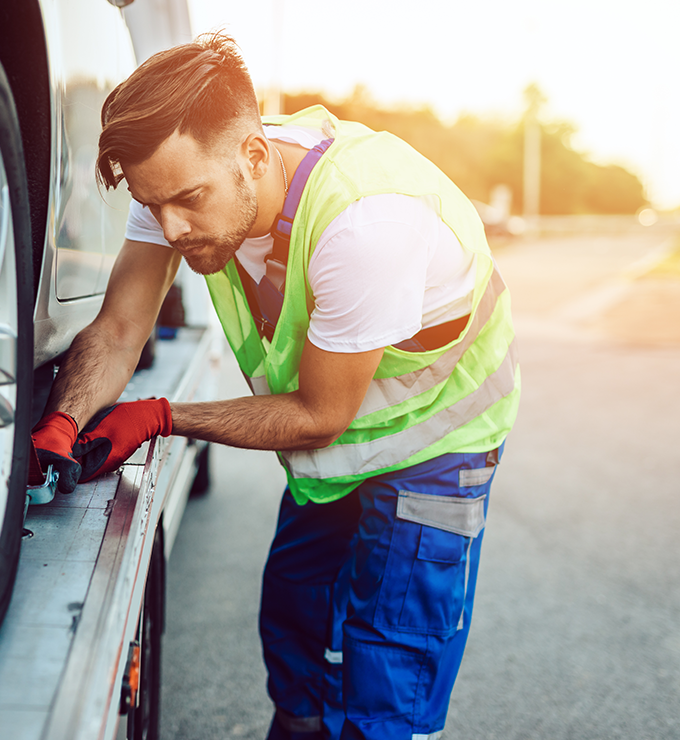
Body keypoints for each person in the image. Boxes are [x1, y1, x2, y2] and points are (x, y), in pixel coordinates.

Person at [31, 33, 519, 740]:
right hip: (343, 439)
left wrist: (164, 415)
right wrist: (62, 422)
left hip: (435, 446)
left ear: (254, 158)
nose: (170, 226)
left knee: (389, 662)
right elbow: (116, 331)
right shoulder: (180, 181)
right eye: (152, 203)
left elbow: (319, 415)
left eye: (187, 201)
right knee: (293, 618)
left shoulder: (365, 226)